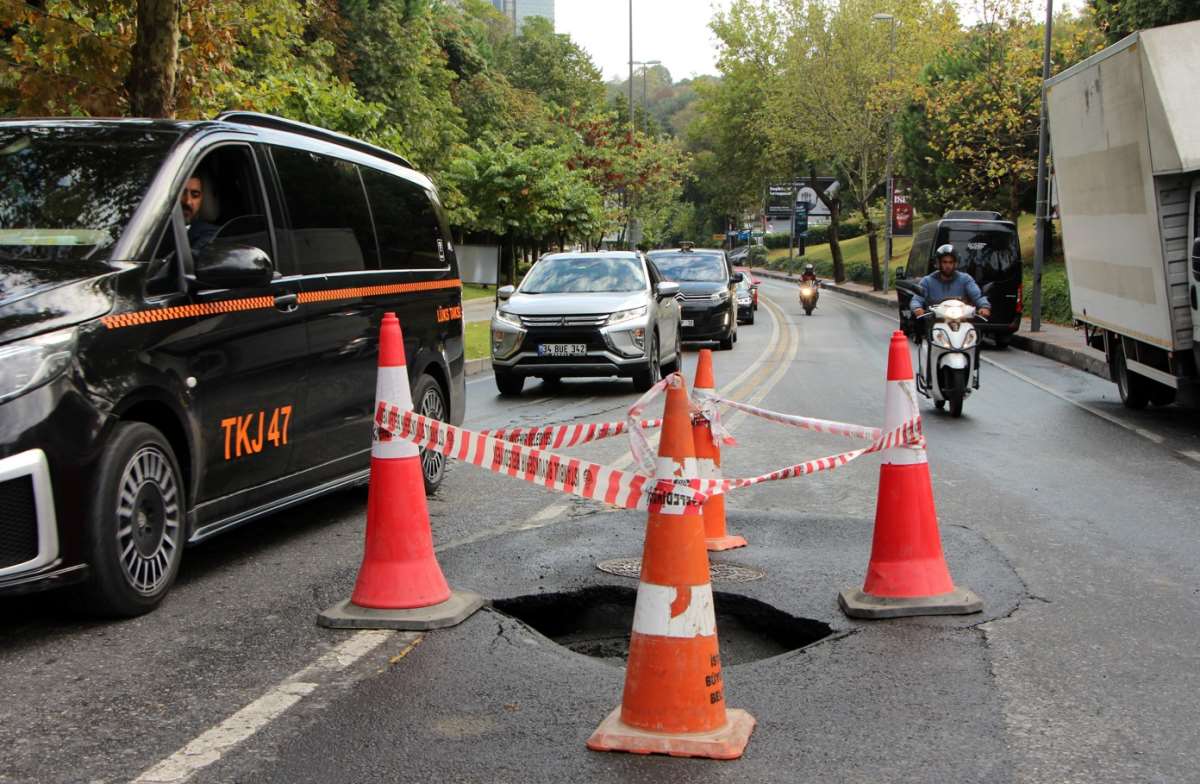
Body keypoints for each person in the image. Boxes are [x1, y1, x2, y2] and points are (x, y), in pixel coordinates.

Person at [911, 244, 991, 320]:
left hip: (962, 321)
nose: (948, 266)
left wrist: (984, 307)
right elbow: (917, 299)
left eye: (951, 262)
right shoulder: (927, 281)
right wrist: (917, 308)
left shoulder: (966, 279)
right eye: (944, 262)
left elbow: (977, 296)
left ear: (956, 263)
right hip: (934, 322)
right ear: (938, 263)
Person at [179, 174, 218, 254]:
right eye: (181, 193)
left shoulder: (210, 234)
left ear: (202, 200)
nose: (188, 202)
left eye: (195, 195)